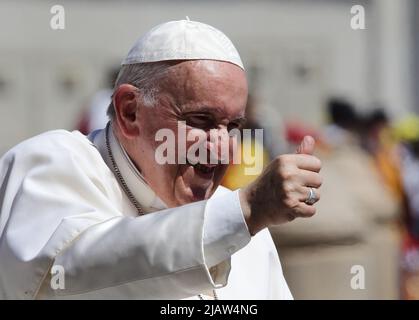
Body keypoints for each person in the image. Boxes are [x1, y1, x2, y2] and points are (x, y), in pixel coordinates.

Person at [0, 19, 322, 299]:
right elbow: (70, 281)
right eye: (200, 120)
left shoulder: (245, 229)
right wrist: (244, 212)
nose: (222, 148)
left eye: (234, 126)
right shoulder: (53, 164)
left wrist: (240, 217)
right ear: (130, 111)